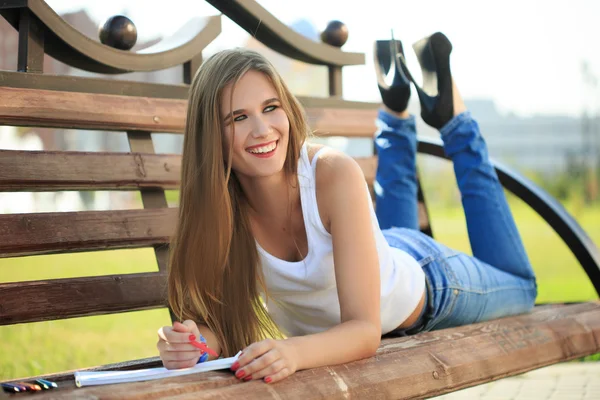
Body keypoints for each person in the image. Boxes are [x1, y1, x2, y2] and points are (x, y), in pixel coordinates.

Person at [156, 33, 537, 384]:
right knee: (387, 250)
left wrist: (293, 351)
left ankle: (455, 123)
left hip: (429, 285)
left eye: (270, 107)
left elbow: (364, 331)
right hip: (376, 258)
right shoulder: (219, 215)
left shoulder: (332, 173)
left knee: (523, 287)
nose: (261, 129)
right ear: (211, 136)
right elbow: (220, 327)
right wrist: (192, 343)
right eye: (238, 118)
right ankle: (395, 112)